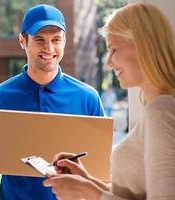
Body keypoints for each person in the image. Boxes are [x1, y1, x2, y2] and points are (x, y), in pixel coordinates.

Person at [0, 4, 105, 200]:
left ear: (64, 41)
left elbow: (103, 170)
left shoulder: (88, 98)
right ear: (23, 41)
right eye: (39, 40)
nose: (49, 48)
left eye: (56, 40)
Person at [43, 3, 175, 200]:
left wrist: (85, 190)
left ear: (143, 45)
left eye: (113, 49)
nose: (108, 62)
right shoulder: (156, 109)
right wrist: (85, 179)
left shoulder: (161, 111)